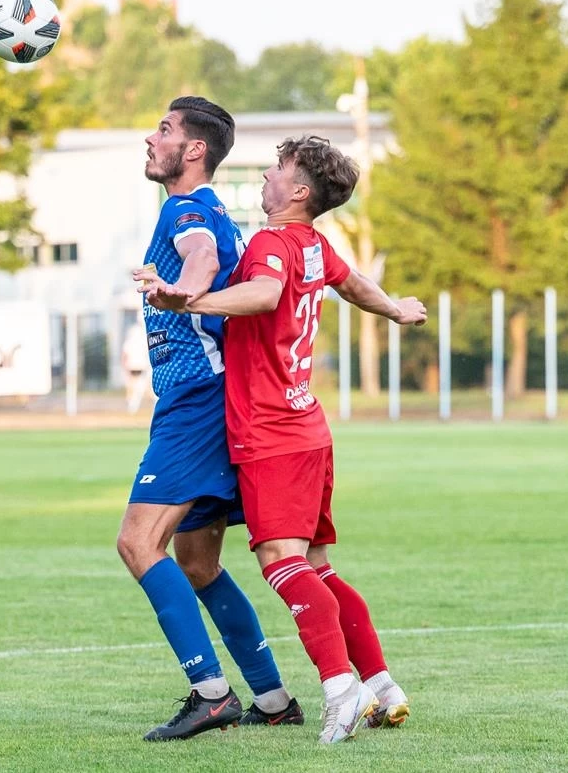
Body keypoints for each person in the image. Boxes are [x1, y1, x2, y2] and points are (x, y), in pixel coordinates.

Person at [139, 135, 426, 744]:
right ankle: (382, 686)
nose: (267, 175)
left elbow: (265, 294)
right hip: (308, 426)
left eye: (277, 168)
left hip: (271, 430)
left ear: (298, 191)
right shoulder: (314, 245)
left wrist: (190, 301)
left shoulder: (273, 243)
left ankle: (339, 691)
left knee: (281, 562)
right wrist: (396, 309)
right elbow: (354, 285)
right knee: (317, 566)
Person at [116, 97, 302, 742]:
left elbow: (199, 257)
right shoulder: (214, 210)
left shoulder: (188, 210)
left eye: (164, 129)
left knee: (138, 544)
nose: (151, 137)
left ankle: (211, 693)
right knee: (197, 562)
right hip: (216, 400)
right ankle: (273, 699)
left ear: (194, 150)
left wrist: (183, 290)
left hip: (197, 401)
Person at [120, 319, 152, 414]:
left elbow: (124, 355)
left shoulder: (130, 342)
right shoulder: (142, 341)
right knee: (140, 387)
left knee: (134, 387)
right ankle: (134, 405)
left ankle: (132, 405)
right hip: (141, 366)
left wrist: (124, 366)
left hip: (134, 366)